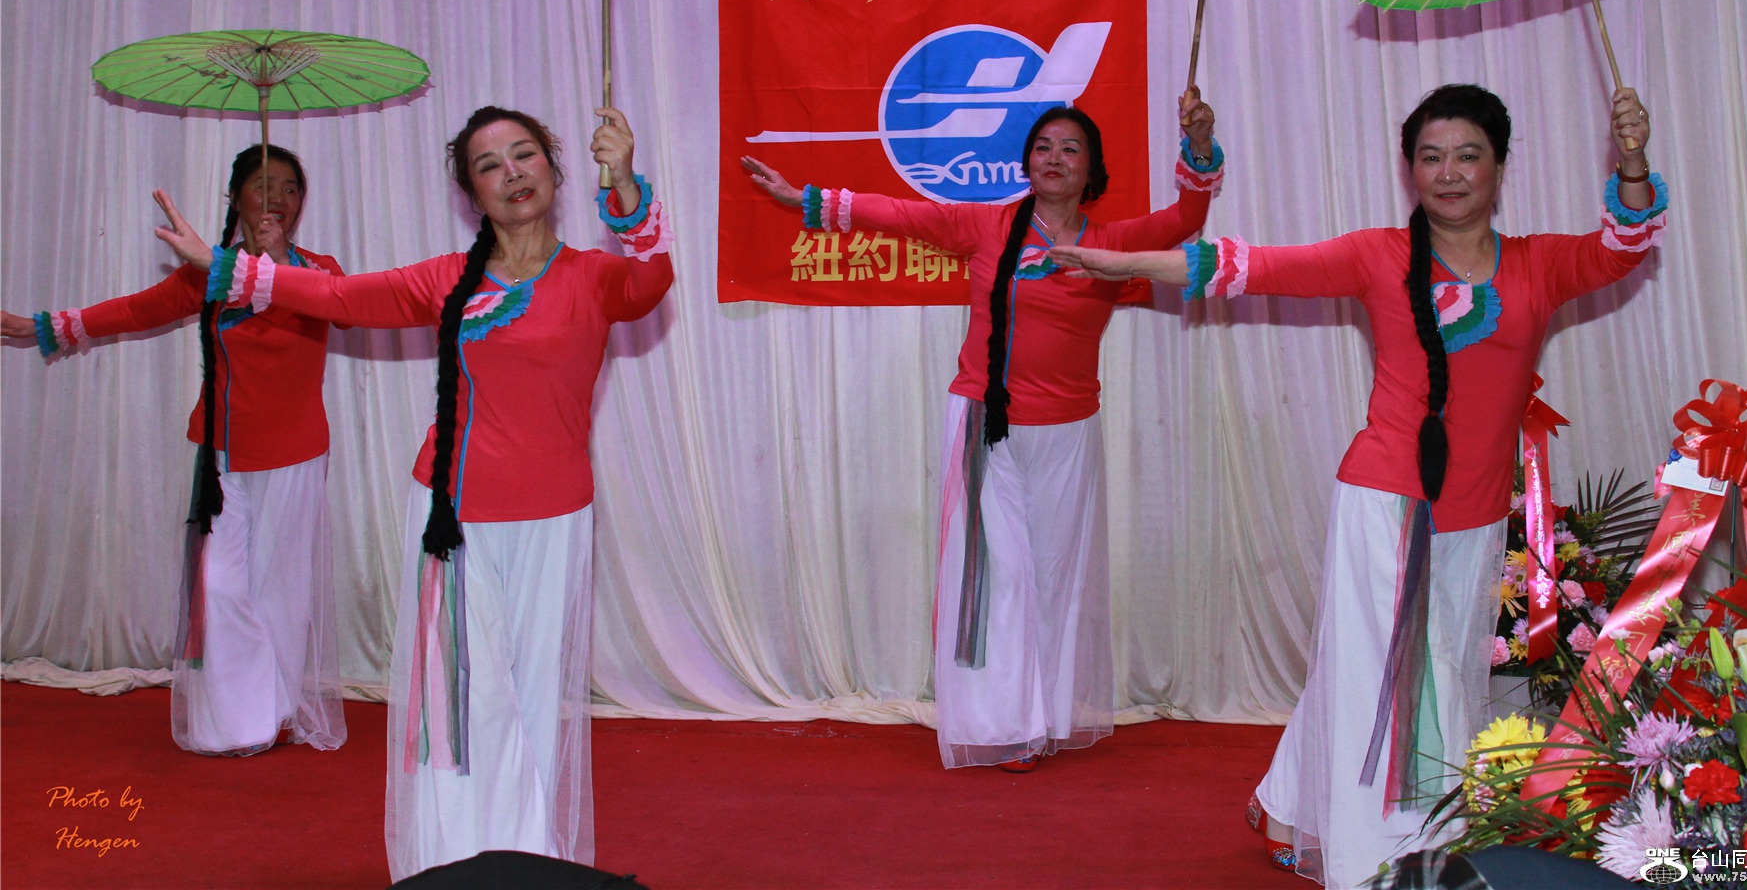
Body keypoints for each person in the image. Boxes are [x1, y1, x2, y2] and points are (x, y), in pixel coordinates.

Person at [1050, 85, 1666, 886]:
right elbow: (1247, 267)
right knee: (1400, 680)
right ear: (1410, 170)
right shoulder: (1379, 255)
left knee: (1403, 663)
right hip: (1384, 501)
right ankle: (1390, 856)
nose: (1449, 173)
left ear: (1499, 166)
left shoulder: (1539, 263)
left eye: (1468, 155)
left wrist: (1631, 162)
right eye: (1431, 157)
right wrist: (1120, 262)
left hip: (1475, 511)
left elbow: (1624, 245)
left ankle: (1287, 802)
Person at [149, 106, 673, 880]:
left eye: (525, 154)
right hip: (452, 520)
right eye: (489, 165)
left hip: (556, 519)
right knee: (466, 702)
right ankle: (457, 860)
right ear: (472, 193)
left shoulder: (594, 277)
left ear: (556, 171)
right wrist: (230, 269)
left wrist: (625, 182)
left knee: (531, 698)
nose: (512, 172)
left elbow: (651, 281)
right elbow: (341, 297)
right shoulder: (445, 279)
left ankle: (527, 860)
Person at [742, 91, 1224, 771]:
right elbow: (901, 214)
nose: (1054, 157)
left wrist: (1199, 148)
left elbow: (1187, 218)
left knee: (1054, 577)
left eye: (1071, 149)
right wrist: (809, 200)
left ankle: (1046, 713)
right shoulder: (987, 225)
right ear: (1026, 163)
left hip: (1069, 431)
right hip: (984, 425)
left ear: (1091, 171)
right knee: (1000, 579)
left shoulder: (1111, 243)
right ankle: (1005, 726)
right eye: (1043, 147)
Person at [2, 144, 348, 758]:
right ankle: (238, 720)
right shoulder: (208, 271)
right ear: (235, 197)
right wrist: (49, 326)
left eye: (290, 187)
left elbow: (342, 308)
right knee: (219, 587)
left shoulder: (320, 270)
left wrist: (277, 266)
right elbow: (138, 309)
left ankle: (273, 710)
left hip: (295, 454)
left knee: (282, 591)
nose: (277, 197)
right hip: (222, 457)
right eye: (263, 184)